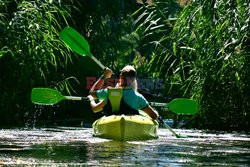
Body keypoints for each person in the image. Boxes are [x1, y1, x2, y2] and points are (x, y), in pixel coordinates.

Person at [87, 65, 159, 120]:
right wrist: (155, 112)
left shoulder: (109, 92)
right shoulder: (138, 97)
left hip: (112, 122)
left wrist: (104, 76)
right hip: (131, 124)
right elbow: (154, 116)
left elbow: (92, 94)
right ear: (133, 80)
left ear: (120, 77)